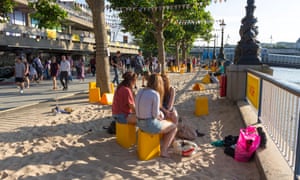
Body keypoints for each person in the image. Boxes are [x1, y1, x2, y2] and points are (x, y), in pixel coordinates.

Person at [135, 74, 177, 158]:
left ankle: (168, 141)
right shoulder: (155, 94)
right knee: (174, 127)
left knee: (165, 123)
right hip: (149, 124)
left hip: (139, 123)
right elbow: (155, 115)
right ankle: (164, 150)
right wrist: (161, 114)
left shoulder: (140, 91)